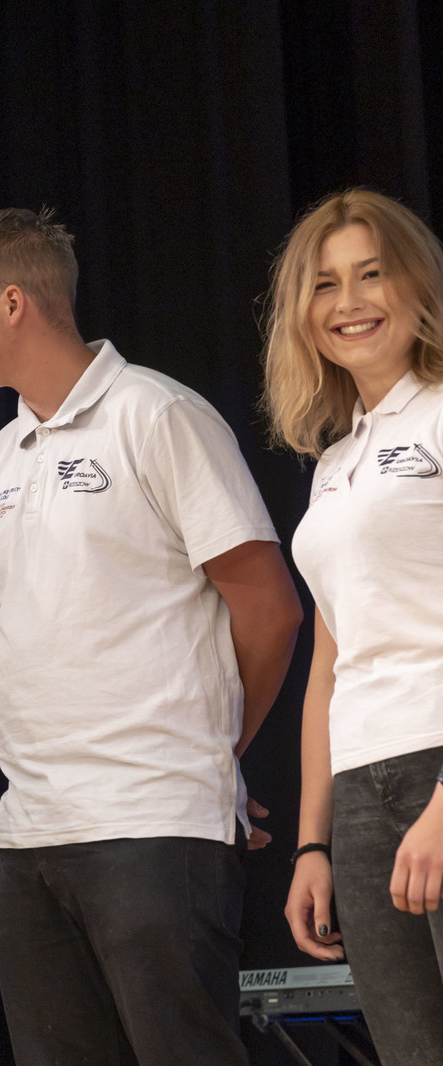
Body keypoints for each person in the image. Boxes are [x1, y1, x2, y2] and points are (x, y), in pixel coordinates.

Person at [0, 208, 303, 1065]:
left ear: (13, 302)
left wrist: (213, 749)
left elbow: (271, 609)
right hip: (28, 832)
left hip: (153, 819)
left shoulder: (158, 414)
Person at [266, 188, 443, 1064]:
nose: (350, 302)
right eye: (326, 284)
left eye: (371, 274)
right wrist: (313, 841)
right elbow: (328, 665)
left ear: (416, 284)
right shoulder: (333, 463)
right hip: (364, 793)